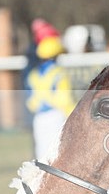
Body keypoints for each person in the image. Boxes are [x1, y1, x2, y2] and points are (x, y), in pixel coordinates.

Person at [26, 19, 75, 160]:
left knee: (42, 156)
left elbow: (31, 102)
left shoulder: (33, 75)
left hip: (39, 118)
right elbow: (65, 100)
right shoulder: (60, 73)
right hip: (57, 116)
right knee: (58, 156)